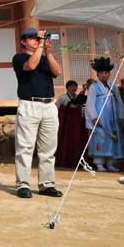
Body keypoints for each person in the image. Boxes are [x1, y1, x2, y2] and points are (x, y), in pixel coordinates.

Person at [13, 28, 63, 198]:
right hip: (29, 104)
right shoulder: (19, 58)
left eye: (38, 38)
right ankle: (23, 185)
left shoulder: (44, 57)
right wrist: (41, 45)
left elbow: (57, 72)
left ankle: (47, 184)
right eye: (33, 38)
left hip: (49, 104)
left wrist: (48, 53)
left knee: (48, 149)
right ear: (23, 41)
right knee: (25, 147)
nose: (36, 40)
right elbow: (31, 65)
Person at [85, 57, 124, 172]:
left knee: (112, 138)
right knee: (101, 137)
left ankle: (111, 164)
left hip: (112, 117)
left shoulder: (113, 87)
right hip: (100, 117)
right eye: (101, 73)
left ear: (109, 74)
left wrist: (121, 116)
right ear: (98, 75)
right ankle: (99, 164)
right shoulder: (93, 87)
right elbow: (90, 103)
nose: (104, 75)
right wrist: (93, 117)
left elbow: (120, 103)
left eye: (106, 73)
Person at [54, 80, 88, 169]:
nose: (73, 88)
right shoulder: (62, 97)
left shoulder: (78, 97)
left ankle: (76, 160)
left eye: (74, 86)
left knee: (76, 137)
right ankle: (63, 159)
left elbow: (80, 108)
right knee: (65, 137)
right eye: (71, 86)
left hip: (75, 120)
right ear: (67, 88)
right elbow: (56, 107)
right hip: (66, 120)